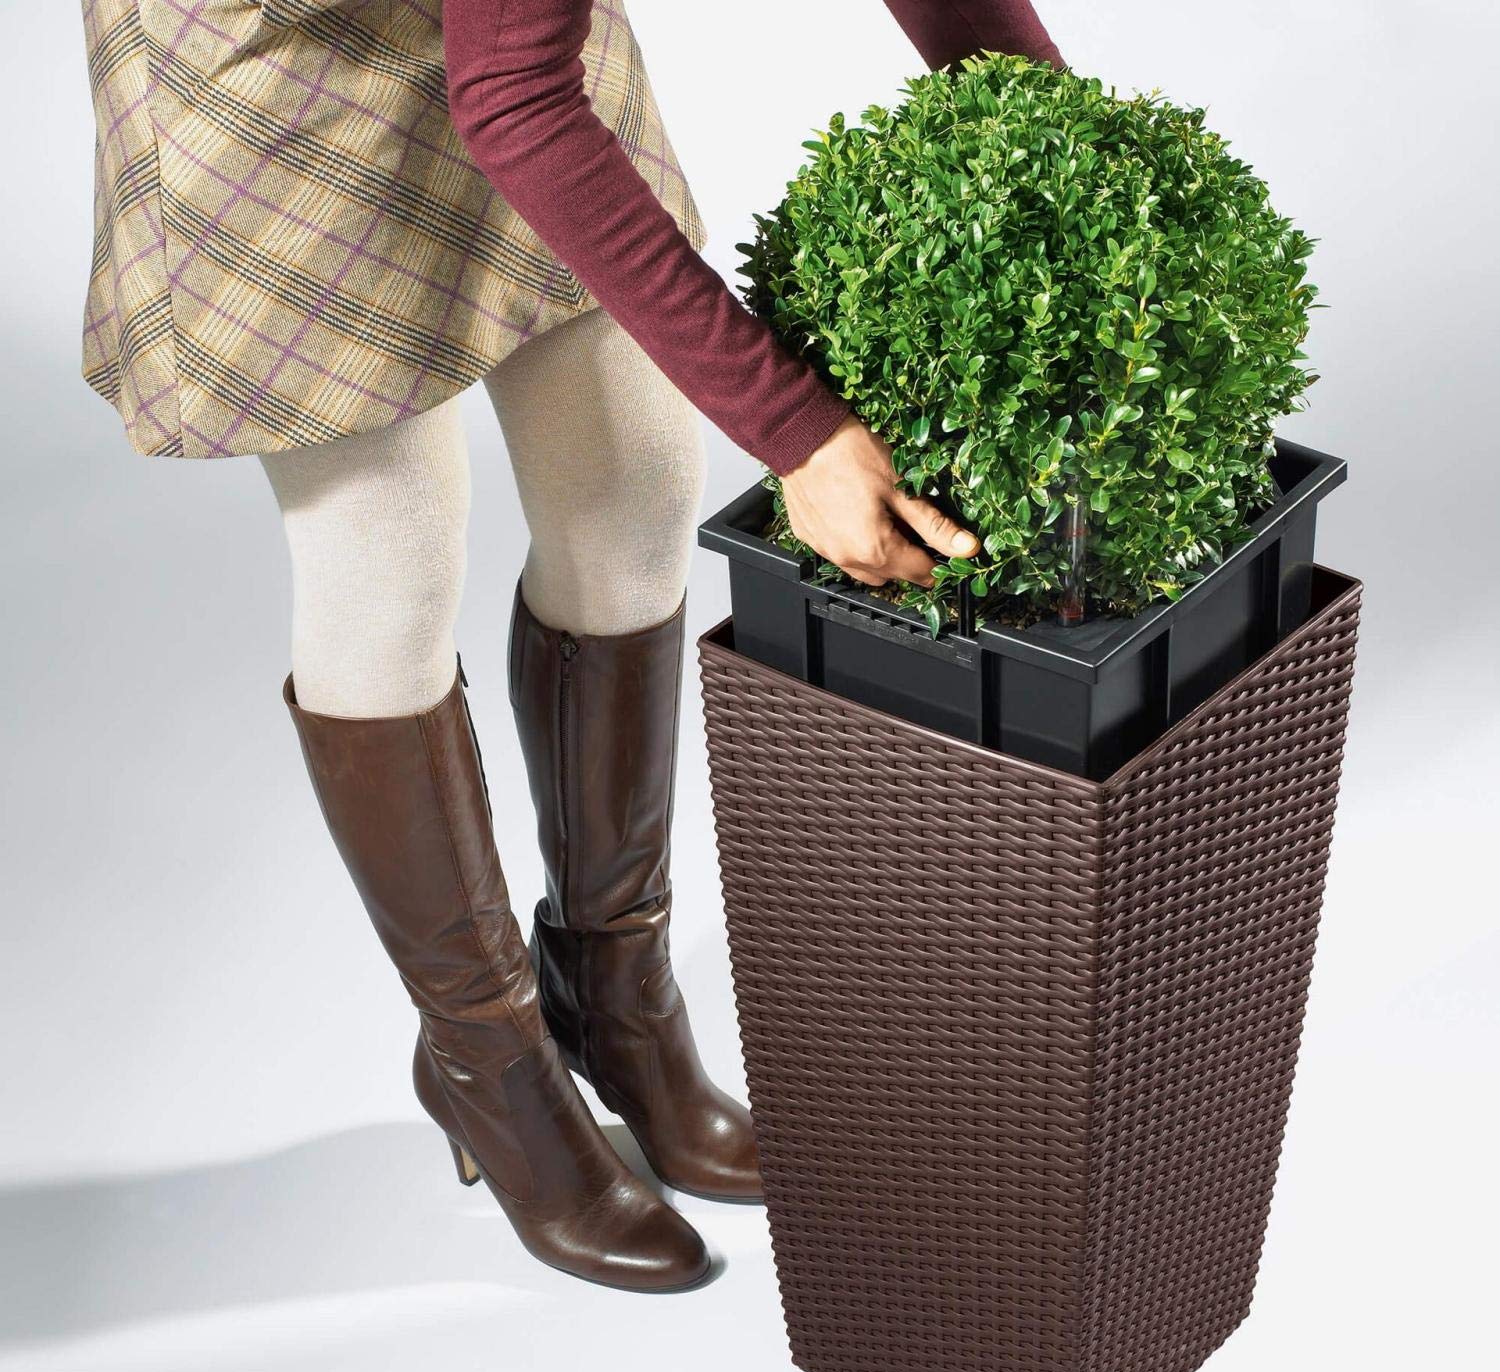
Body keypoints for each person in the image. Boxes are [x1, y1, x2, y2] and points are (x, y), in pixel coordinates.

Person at [78, 0, 1063, 1293]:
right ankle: (487, 1064)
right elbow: (515, 103)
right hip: (276, 51)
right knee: (391, 553)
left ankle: (616, 1001)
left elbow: (516, 74)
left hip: (502, 36)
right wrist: (800, 437)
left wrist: (1064, 147)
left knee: (637, 483)